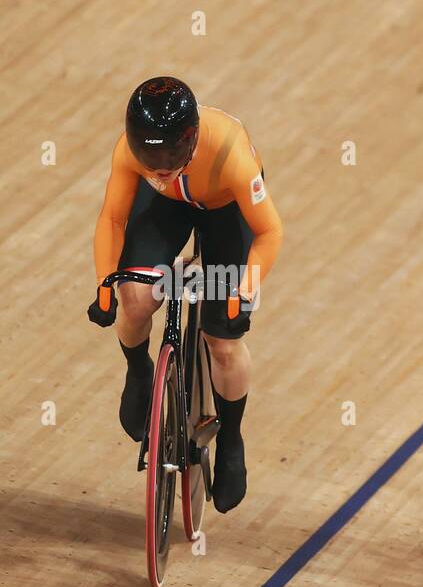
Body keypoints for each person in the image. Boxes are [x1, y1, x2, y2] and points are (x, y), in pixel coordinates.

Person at [89, 76, 283, 513]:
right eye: (149, 154)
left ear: (192, 138)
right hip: (167, 205)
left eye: (171, 154)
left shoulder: (231, 155)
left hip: (226, 208)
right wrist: (106, 282)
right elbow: (112, 219)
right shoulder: (129, 152)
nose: (160, 165)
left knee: (224, 342)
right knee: (135, 298)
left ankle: (231, 439)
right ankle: (139, 372)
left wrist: (244, 291)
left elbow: (270, 231)